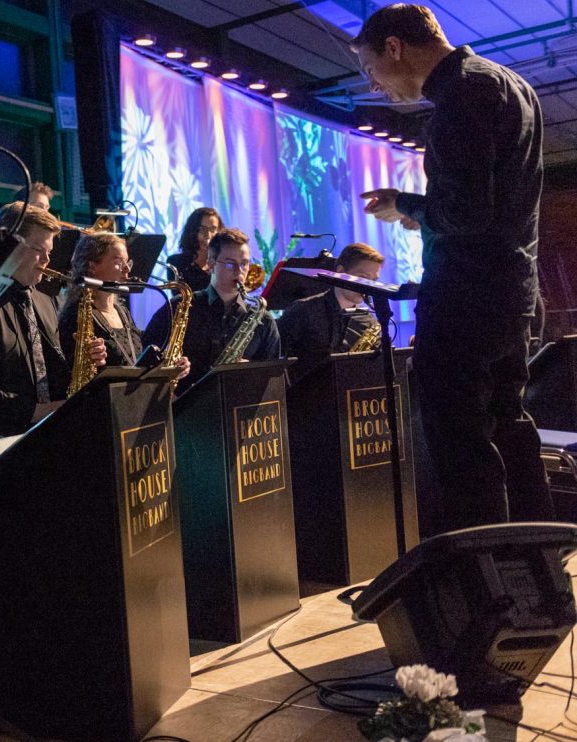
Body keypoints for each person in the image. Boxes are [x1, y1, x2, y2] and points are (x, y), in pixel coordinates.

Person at [354, 3, 553, 531]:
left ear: (395, 47)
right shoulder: (511, 84)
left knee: (460, 437)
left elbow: (465, 212)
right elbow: (494, 204)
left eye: (372, 70)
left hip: (467, 295)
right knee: (509, 422)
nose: (375, 87)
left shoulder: (462, 93)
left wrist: (409, 205)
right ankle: (537, 563)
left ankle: (485, 579)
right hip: (513, 290)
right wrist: (429, 212)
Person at [0, 203, 105, 436]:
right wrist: (36, 411)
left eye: (49, 252)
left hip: (42, 431)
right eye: (39, 249)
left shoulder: (46, 301)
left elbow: (48, 376)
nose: (47, 260)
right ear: (10, 245)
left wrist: (81, 360)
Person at [143, 227, 280, 385]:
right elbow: (145, 357)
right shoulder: (178, 307)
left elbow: (274, 379)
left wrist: (252, 370)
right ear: (211, 263)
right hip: (187, 405)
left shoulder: (263, 319)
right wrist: (168, 367)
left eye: (244, 264)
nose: (239, 272)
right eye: (230, 264)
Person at [59, 231, 189, 378]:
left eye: (128, 262)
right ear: (92, 266)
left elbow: (135, 360)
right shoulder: (76, 314)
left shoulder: (121, 311)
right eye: (118, 261)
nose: (127, 269)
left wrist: (168, 366)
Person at [277, 242, 383, 382]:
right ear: (340, 272)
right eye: (363, 277)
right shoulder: (303, 310)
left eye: (373, 280)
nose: (368, 285)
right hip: (304, 398)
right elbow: (277, 362)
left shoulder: (369, 322)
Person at [165, 206, 222, 292]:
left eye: (213, 229)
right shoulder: (175, 262)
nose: (208, 235)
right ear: (192, 231)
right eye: (203, 229)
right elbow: (179, 298)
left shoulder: (222, 263)